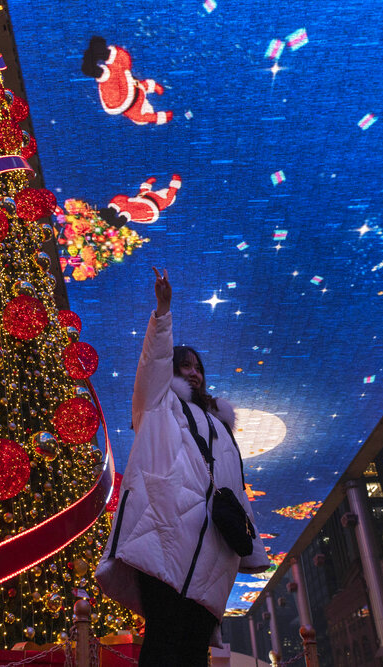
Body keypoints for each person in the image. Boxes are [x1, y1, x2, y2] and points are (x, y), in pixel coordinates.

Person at [96, 268, 269, 666]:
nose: (193, 372)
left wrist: (252, 549)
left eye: (198, 367)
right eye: (184, 366)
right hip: (163, 533)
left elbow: (236, 489)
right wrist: (164, 310)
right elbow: (153, 362)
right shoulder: (157, 405)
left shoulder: (223, 429)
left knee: (193, 649)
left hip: (214, 549)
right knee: (164, 640)